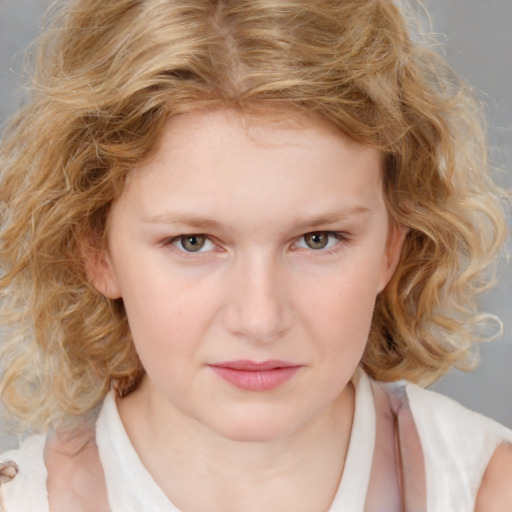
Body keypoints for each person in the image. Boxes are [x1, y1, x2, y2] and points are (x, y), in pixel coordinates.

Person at [0, 0, 511, 510]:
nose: (260, 319)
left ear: (391, 247)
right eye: (192, 243)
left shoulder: (489, 491)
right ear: (97, 251)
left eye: (318, 239)